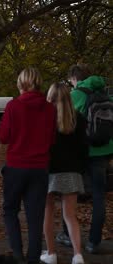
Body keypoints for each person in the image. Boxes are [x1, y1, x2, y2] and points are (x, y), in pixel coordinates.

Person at [0, 67, 56, 264]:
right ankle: (33, 257)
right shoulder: (50, 109)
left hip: (16, 165)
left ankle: (16, 251)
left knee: (10, 209)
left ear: (21, 83)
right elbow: (52, 139)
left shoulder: (13, 106)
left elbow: (4, 137)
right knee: (35, 215)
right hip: (39, 168)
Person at [59, 64, 113, 254]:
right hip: (104, 152)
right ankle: (94, 242)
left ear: (74, 78)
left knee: (70, 193)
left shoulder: (75, 96)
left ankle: (66, 234)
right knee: (99, 197)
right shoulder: (106, 94)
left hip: (81, 153)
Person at [40, 82, 88, 264]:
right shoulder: (80, 118)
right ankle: (78, 255)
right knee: (70, 216)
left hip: (49, 171)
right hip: (72, 172)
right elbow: (84, 149)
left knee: (48, 212)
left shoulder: (45, 119)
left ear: (50, 98)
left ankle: (51, 253)